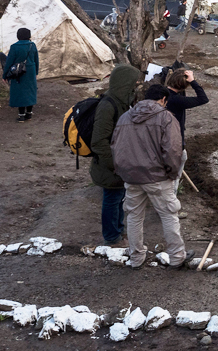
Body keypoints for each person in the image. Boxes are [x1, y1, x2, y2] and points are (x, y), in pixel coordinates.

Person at [112, 84, 195, 269]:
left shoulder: (125, 117)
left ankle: (136, 257)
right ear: (164, 100)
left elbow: (116, 146)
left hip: (131, 176)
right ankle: (177, 257)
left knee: (134, 216)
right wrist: (173, 173)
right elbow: (173, 149)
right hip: (157, 177)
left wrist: (122, 171)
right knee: (168, 215)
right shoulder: (166, 117)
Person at [90, 64, 141, 248]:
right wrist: (115, 165)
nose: (136, 87)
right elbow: (98, 141)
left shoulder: (122, 101)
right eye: (133, 83)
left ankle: (118, 232)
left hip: (120, 163)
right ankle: (112, 238)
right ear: (124, 83)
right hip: (110, 164)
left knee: (119, 198)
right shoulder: (108, 105)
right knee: (112, 200)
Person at [165, 68, 209, 144]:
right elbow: (203, 99)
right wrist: (192, 81)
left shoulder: (161, 92)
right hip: (174, 137)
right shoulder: (178, 100)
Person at [3, 28, 38, 122]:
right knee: (30, 91)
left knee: (20, 92)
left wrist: (5, 75)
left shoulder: (14, 47)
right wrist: (36, 73)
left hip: (18, 72)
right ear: (29, 35)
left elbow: (9, 62)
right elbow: (36, 60)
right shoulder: (32, 45)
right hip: (30, 71)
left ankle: (21, 115)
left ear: (18, 36)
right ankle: (29, 114)